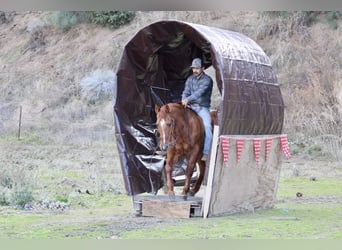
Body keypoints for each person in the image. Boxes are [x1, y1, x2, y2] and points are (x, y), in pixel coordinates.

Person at [181, 58, 213, 162]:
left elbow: (199, 93)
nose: (195, 70)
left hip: (202, 108)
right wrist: (183, 99)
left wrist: (187, 99)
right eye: (193, 68)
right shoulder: (190, 79)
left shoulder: (207, 80)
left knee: (208, 127)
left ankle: (206, 152)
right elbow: (185, 91)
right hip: (190, 107)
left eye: (197, 68)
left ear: (203, 68)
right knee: (177, 122)